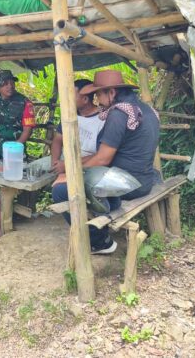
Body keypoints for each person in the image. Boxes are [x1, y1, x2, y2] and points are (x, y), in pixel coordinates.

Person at [52, 70, 161, 254]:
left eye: (99, 94)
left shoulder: (118, 115)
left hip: (127, 184)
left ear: (111, 92)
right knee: (78, 179)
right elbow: (102, 155)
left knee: (60, 190)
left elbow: (103, 158)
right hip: (143, 180)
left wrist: (69, 170)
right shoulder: (145, 109)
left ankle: (99, 242)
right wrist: (71, 165)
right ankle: (111, 204)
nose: (97, 99)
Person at [50, 79, 105, 174]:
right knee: (33, 169)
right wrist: (54, 163)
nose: (67, 99)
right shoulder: (69, 115)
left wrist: (68, 165)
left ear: (85, 99)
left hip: (87, 165)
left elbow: (101, 155)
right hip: (63, 161)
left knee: (61, 185)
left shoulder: (103, 119)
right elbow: (58, 140)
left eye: (71, 96)